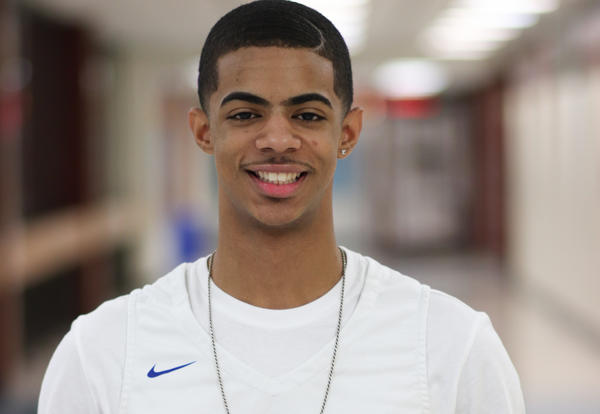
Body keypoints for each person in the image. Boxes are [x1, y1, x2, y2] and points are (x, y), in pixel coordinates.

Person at [38, 1, 525, 413]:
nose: (276, 140)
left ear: (348, 133)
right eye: (245, 114)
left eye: (307, 115)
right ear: (204, 132)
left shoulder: (449, 345)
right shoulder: (105, 350)